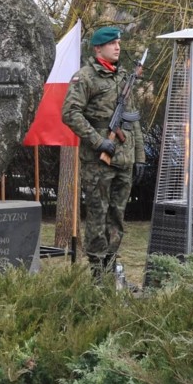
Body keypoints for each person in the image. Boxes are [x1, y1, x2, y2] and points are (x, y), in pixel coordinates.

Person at [62, 26, 146, 281]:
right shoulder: (85, 77)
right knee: (98, 217)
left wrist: (139, 156)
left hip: (124, 160)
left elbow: (132, 121)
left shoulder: (123, 78)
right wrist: (99, 141)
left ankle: (112, 264)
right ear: (98, 48)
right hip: (98, 162)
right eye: (112, 43)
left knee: (117, 216)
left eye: (119, 42)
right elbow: (70, 114)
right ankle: (98, 272)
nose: (118, 47)